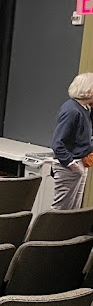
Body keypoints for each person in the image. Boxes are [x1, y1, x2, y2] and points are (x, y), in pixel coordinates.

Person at [51, 72, 93, 210]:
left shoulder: (85, 108)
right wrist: (70, 163)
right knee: (62, 209)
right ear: (89, 90)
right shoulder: (72, 111)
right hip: (69, 165)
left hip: (81, 162)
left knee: (73, 209)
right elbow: (58, 143)